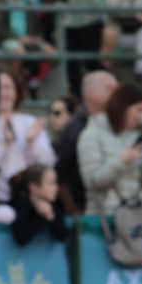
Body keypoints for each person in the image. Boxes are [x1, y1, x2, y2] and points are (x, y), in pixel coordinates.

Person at [78, 78, 142, 216]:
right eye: (138, 110)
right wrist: (122, 161)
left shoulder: (136, 137)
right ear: (123, 107)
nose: (141, 116)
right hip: (105, 220)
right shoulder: (90, 135)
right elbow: (93, 181)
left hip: (138, 218)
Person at [0, 68, 54, 223]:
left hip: (26, 198)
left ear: (17, 91)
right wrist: (4, 145)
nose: (2, 93)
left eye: (8, 87)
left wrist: (31, 141)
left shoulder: (29, 122)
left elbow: (47, 164)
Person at [53, 68, 115, 213]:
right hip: (85, 210)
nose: (117, 94)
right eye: (110, 89)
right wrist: (73, 209)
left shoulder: (117, 125)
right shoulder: (74, 130)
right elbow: (60, 172)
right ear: (91, 93)